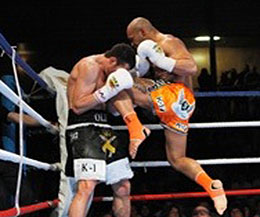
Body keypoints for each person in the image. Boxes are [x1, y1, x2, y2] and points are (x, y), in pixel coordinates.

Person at [122, 17, 227, 215]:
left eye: (132, 38)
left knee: (118, 84)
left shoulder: (168, 42)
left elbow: (191, 68)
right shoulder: (152, 49)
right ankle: (211, 185)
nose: (132, 43)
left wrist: (161, 62)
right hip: (182, 105)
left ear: (142, 32)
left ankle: (135, 127)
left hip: (175, 95)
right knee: (177, 159)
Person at [65, 43, 145, 217]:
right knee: (87, 186)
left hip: (105, 127)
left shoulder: (110, 72)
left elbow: (108, 104)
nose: (117, 75)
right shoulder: (89, 66)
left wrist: (114, 101)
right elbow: (77, 106)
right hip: (83, 126)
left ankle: (135, 126)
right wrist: (107, 91)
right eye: (118, 69)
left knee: (124, 186)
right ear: (112, 60)